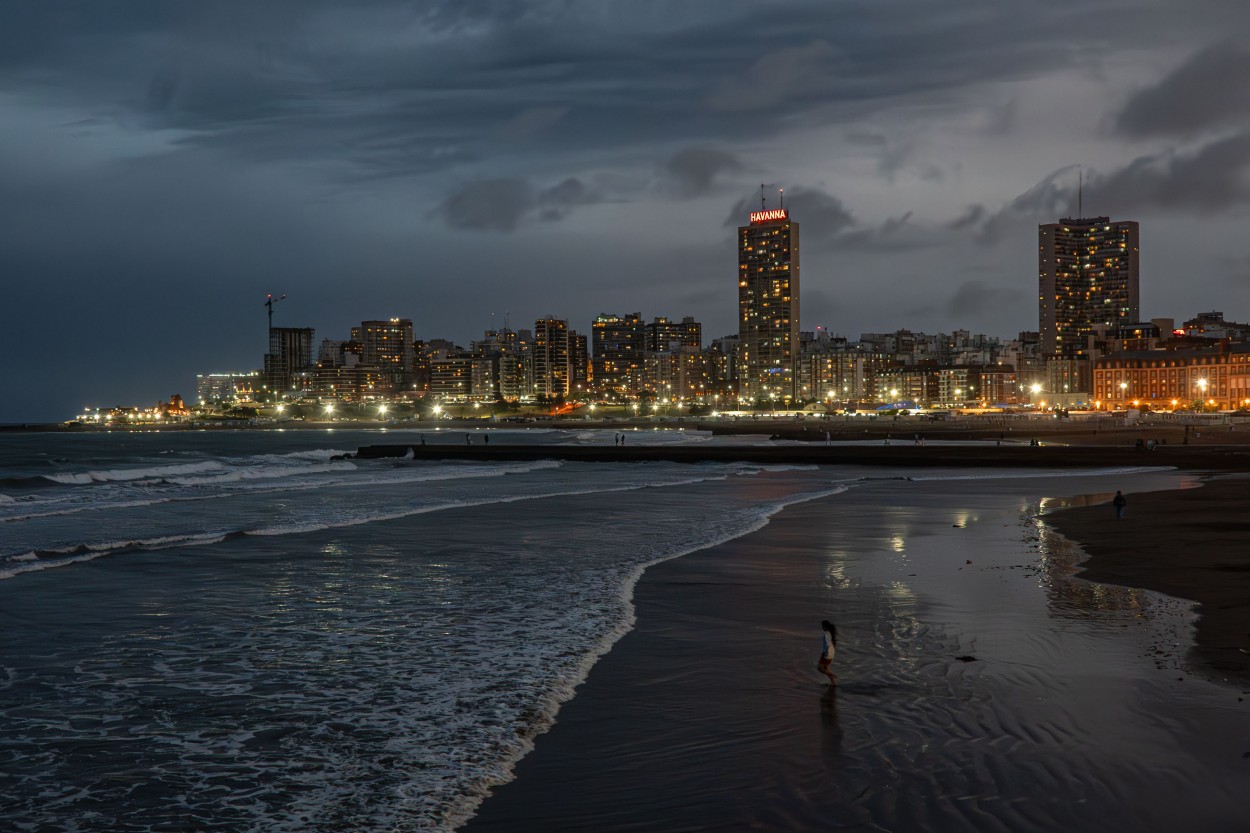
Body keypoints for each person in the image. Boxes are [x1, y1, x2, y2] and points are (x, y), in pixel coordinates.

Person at [817, 620, 838, 685]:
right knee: (826, 668)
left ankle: (833, 675)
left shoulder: (826, 633)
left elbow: (826, 644)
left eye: (822, 626)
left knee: (820, 668)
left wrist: (823, 653)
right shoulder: (830, 633)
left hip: (827, 653)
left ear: (824, 626)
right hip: (831, 652)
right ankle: (834, 683)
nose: (822, 627)